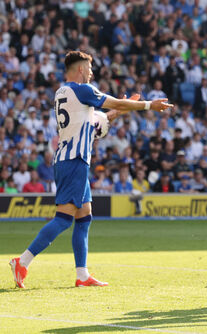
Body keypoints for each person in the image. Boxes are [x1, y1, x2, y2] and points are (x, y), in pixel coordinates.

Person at [9, 50, 172, 289]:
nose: (92, 72)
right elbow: (114, 103)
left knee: (84, 217)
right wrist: (148, 105)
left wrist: (125, 108)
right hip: (73, 160)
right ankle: (22, 261)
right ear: (81, 69)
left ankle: (82, 274)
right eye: (90, 68)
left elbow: (99, 122)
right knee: (64, 219)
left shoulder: (65, 94)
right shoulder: (82, 90)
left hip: (73, 160)